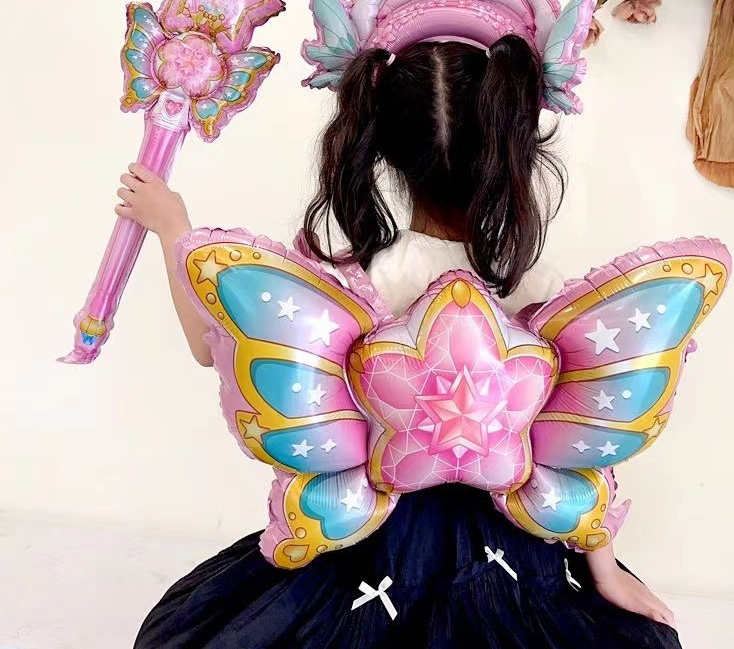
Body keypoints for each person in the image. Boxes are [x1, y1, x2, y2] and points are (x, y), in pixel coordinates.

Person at [119, 33, 680, 648]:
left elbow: (210, 347)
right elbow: (575, 447)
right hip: (512, 539)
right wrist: (606, 572)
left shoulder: (351, 282)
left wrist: (174, 229)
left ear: (381, 145)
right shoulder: (536, 287)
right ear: (511, 143)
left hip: (370, 530)